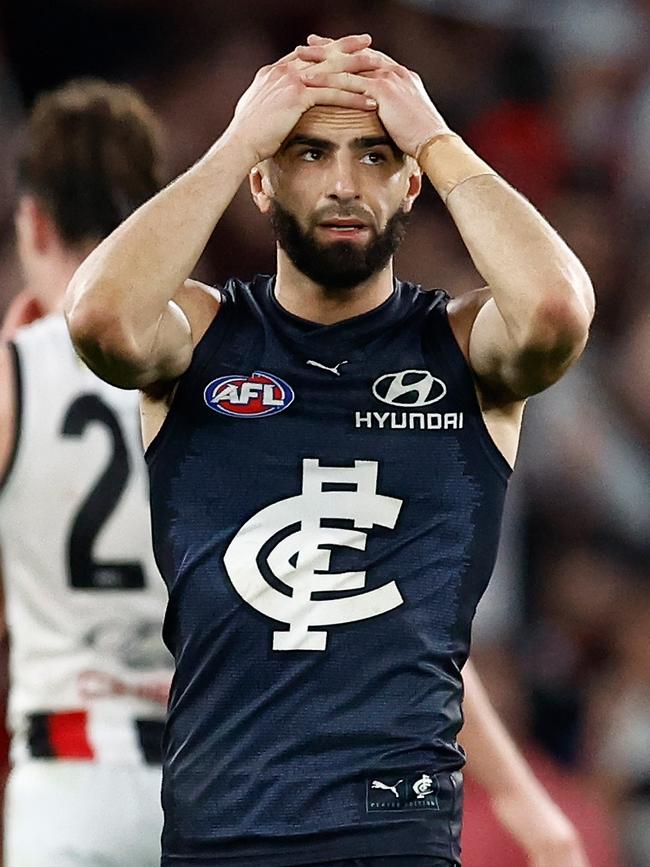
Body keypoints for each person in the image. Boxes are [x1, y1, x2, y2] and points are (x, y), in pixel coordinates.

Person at [65, 32, 595, 867]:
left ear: (411, 182)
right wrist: (240, 135)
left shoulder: (461, 349)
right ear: (263, 182)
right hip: (218, 833)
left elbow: (558, 311)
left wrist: (435, 135)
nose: (344, 184)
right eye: (308, 152)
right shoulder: (203, 335)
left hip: (395, 832)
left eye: (376, 156)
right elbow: (99, 319)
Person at [0, 79, 173, 867]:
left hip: (67, 779)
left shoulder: (14, 375)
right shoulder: (222, 366)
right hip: (212, 786)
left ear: (32, 221)